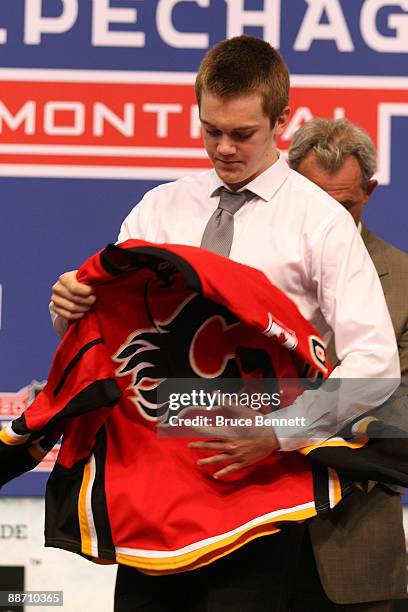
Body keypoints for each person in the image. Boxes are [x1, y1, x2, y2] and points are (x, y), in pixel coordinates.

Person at [50, 36, 400, 611]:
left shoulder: (320, 222)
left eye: (243, 134)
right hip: (152, 490)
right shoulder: (158, 209)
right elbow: (108, 335)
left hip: (259, 490)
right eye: (211, 130)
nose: (224, 148)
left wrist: (281, 432)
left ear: (283, 120)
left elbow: (376, 365)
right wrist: (67, 308)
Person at [288, 117, 408, 611]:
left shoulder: (403, 281)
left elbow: (396, 416)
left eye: (344, 205)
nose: (329, 222)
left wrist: (280, 430)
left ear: (370, 191)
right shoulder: (242, 268)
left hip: (356, 547)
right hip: (243, 542)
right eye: (315, 203)